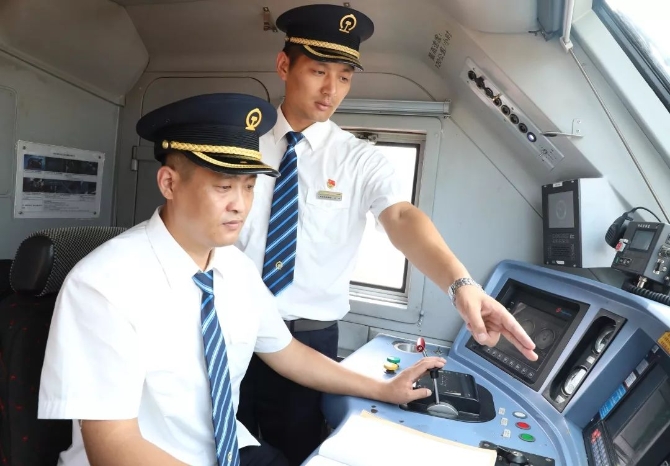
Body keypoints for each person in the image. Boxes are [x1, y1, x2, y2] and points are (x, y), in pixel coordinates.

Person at [37, 93, 446, 466]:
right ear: (169, 183)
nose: (240, 205)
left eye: (249, 186)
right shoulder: (103, 286)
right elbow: (112, 447)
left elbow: (289, 354)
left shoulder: (236, 269)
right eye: (223, 187)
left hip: (227, 449)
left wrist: (382, 388)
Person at [235, 4, 540, 465]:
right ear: (284, 66)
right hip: (230, 329)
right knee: (217, 447)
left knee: (297, 456)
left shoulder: (359, 159)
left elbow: (401, 218)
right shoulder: (238, 146)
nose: (331, 89)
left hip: (308, 340)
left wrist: (461, 284)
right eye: (318, 71)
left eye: (344, 77)